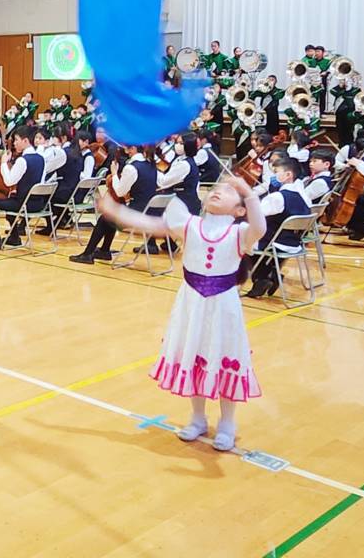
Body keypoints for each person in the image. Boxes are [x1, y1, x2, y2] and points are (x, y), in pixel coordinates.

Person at [99, 176, 265, 451]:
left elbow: (260, 226)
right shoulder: (190, 224)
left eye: (227, 192)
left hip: (223, 308)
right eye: (216, 189)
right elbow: (151, 224)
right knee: (194, 354)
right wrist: (115, 210)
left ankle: (227, 423)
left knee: (222, 358)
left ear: (239, 210)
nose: (218, 192)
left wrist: (248, 193)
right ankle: (198, 418)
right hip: (191, 304)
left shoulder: (241, 233)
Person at [68, 145, 157, 264]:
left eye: (127, 148)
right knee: (110, 217)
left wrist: (114, 174)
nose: (126, 150)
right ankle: (104, 250)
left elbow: (120, 192)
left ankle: (88, 253)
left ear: (133, 148)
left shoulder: (132, 168)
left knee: (104, 218)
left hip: (137, 214)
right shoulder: (151, 165)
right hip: (149, 212)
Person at [246, 157, 311, 298]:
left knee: (242, 238)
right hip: (294, 242)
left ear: (288, 175)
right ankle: (271, 274)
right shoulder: (303, 194)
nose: (273, 176)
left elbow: (256, 215)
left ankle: (261, 278)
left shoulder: (278, 197)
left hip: (276, 242)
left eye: (276, 172)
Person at [0, 128, 45, 249]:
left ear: (25, 141)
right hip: (38, 203)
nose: (14, 143)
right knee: (11, 200)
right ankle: (14, 237)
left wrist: (4, 163)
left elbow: (9, 181)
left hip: (24, 204)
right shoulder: (41, 158)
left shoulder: (22, 160)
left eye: (16, 140)